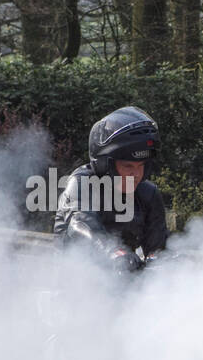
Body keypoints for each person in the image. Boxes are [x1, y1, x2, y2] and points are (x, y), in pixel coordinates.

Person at [54, 106, 168, 271]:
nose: (136, 174)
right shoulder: (81, 183)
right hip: (75, 285)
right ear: (105, 165)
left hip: (126, 289)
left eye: (141, 165)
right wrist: (113, 252)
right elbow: (80, 224)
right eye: (128, 166)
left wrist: (165, 262)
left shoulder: (148, 194)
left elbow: (157, 251)